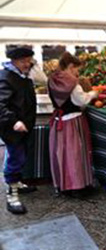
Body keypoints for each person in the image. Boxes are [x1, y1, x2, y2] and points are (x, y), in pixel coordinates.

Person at [48, 52, 97, 195]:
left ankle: (64, 184)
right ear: (70, 66)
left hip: (59, 121)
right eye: (77, 69)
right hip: (72, 122)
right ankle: (77, 187)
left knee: (62, 155)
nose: (77, 72)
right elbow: (80, 101)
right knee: (75, 154)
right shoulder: (72, 82)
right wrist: (93, 94)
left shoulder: (52, 79)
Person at [0, 47, 38, 214]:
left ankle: (16, 184)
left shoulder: (23, 76)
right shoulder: (5, 77)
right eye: (23, 61)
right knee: (16, 158)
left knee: (21, 157)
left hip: (24, 127)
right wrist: (14, 122)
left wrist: (33, 66)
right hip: (12, 128)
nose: (27, 63)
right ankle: (11, 194)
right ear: (13, 61)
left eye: (29, 60)